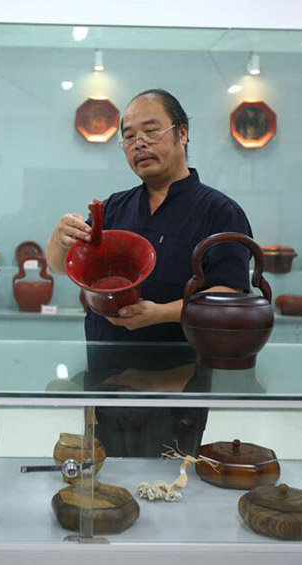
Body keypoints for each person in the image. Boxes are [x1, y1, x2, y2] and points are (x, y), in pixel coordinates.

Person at [46, 89, 254, 457]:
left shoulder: (220, 212)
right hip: (105, 377)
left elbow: (230, 295)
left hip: (174, 384)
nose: (139, 143)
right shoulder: (114, 206)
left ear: (183, 133)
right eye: (128, 136)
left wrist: (159, 313)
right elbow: (60, 267)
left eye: (151, 131)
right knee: (104, 479)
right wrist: (60, 239)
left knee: (164, 485)